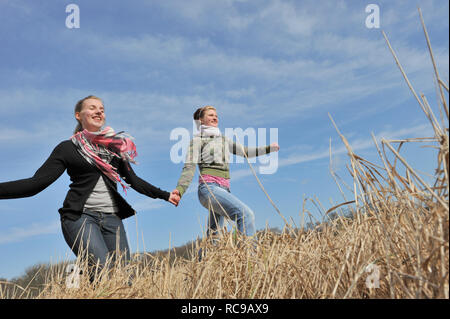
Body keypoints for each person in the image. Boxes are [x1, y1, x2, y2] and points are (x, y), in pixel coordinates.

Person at [0, 95, 180, 282]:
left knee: (125, 279)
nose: (99, 111)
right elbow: (35, 184)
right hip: (81, 218)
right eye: (92, 108)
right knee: (102, 272)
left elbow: (133, 181)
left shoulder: (113, 149)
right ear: (79, 115)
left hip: (112, 219)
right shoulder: (68, 148)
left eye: (102, 108)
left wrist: (165, 195)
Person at [172, 105, 279, 242]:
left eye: (216, 115)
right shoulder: (198, 140)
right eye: (210, 115)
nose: (215, 117)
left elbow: (245, 151)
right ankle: (250, 260)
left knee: (214, 237)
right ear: (201, 120)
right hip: (209, 189)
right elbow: (189, 167)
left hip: (224, 190)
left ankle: (204, 262)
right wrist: (180, 190)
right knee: (246, 215)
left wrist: (269, 149)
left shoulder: (223, 140)